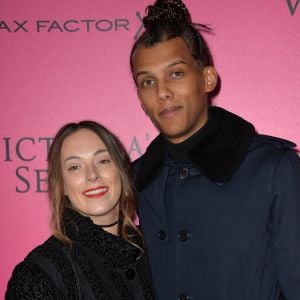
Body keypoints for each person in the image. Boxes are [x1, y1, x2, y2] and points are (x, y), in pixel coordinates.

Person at [130, 0, 300, 299]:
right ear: (141, 98)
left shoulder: (274, 169)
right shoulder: (136, 182)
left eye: (176, 73)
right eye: (147, 81)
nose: (162, 92)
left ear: (207, 79)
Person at [6, 121, 154, 299]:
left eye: (103, 161)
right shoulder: (39, 274)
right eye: (75, 167)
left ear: (121, 171)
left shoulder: (157, 250)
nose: (92, 175)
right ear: (62, 185)